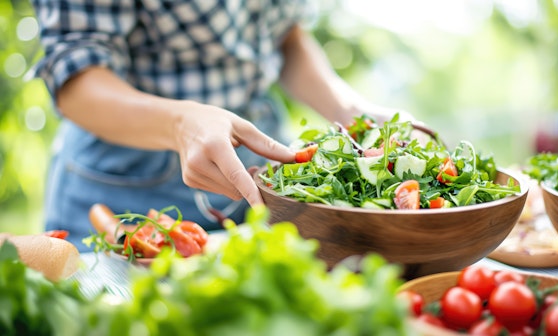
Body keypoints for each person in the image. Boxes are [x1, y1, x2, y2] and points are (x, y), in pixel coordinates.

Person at [30, 0, 416, 251]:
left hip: (261, 174)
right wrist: (182, 123)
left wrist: (352, 112)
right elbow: (75, 75)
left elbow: (286, 34)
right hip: (127, 180)